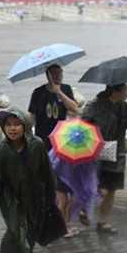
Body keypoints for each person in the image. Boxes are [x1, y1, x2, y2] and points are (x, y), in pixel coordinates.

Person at [0, 108, 57, 253]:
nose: (12, 129)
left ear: (25, 126)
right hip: (12, 200)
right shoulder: (2, 151)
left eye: (17, 124)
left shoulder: (37, 145)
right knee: (18, 233)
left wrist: (51, 200)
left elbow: (47, 173)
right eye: (8, 125)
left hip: (35, 198)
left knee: (29, 235)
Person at [81, 84, 127, 235]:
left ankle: (102, 221)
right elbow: (82, 124)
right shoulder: (94, 105)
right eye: (125, 90)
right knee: (101, 189)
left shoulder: (124, 107)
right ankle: (84, 207)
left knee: (112, 190)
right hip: (96, 152)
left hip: (117, 154)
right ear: (114, 93)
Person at [28, 64, 79, 225]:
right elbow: (32, 116)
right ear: (48, 75)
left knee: (60, 179)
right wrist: (26, 135)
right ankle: (46, 209)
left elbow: (74, 108)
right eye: (54, 73)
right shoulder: (38, 92)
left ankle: (59, 213)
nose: (58, 76)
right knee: (44, 177)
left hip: (62, 141)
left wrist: (59, 92)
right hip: (43, 140)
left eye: (60, 73)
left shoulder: (66, 89)